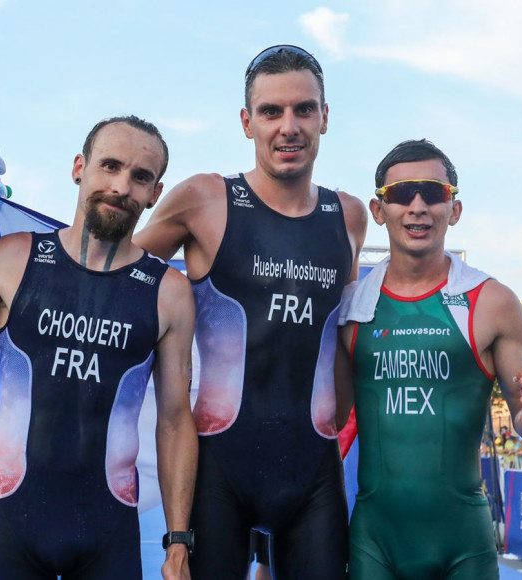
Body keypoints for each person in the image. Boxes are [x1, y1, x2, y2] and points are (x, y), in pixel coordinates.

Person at [0, 116, 198, 579]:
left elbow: (174, 421)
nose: (121, 186)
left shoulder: (168, 292)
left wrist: (178, 542)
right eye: (109, 166)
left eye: (140, 176)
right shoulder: (14, 259)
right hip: (12, 527)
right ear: (79, 168)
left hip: (107, 531)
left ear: (155, 193)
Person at [134, 45, 367, 579]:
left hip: (313, 469)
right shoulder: (204, 199)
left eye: (303, 109)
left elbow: (347, 337)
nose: (289, 127)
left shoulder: (349, 216)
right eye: (271, 111)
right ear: (247, 122)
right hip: (220, 468)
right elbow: (113, 275)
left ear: (325, 117)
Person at [334, 139, 522, 579]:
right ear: (379, 210)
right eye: (401, 194)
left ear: (454, 209)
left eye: (433, 193)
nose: (417, 207)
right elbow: (332, 422)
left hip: (462, 544)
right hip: (375, 540)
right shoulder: (350, 307)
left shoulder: (492, 302)